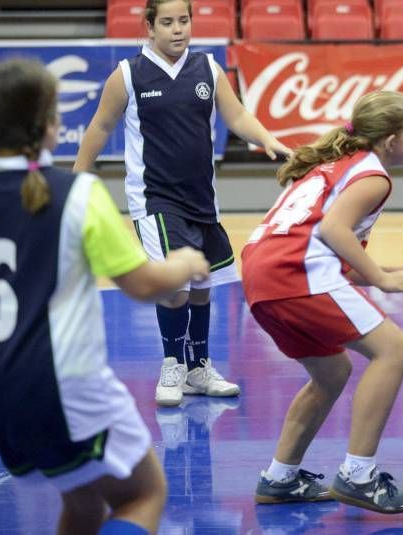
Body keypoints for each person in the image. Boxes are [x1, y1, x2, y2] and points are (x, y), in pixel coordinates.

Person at [0, 58, 211, 535]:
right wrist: (184, 263)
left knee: (84, 504)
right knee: (143, 494)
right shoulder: (78, 194)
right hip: (65, 392)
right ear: (48, 125)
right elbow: (144, 286)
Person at [73, 0, 291, 408]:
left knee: (202, 284)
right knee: (175, 285)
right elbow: (100, 126)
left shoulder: (208, 69)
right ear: (149, 27)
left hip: (201, 199)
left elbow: (237, 114)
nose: (178, 30)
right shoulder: (128, 75)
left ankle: (198, 368)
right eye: (168, 22)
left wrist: (267, 138)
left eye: (184, 21)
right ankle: (172, 363)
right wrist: (77, 180)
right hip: (154, 199)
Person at [242, 91, 403, 515]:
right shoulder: (373, 176)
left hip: (264, 275)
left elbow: (330, 253)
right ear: (391, 140)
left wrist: (387, 269)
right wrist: (382, 279)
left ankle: (279, 477)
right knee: (394, 348)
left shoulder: (331, 165)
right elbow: (335, 232)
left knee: (332, 372)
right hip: (294, 272)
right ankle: (359, 474)